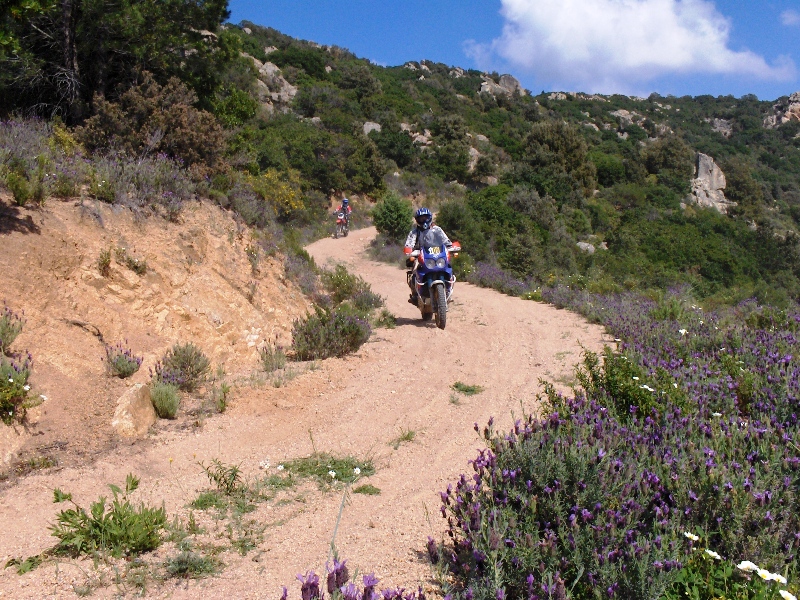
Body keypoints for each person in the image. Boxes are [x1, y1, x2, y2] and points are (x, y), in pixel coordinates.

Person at [404, 207, 452, 304]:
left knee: (447, 265)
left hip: (437, 254)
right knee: (414, 271)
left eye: (425, 217)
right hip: (421, 254)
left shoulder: (437, 230)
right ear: (417, 220)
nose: (423, 220)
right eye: (421, 218)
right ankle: (415, 295)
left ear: (430, 217)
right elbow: (409, 244)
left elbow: (446, 241)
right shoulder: (414, 232)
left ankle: (447, 290)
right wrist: (410, 250)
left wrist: (450, 247)